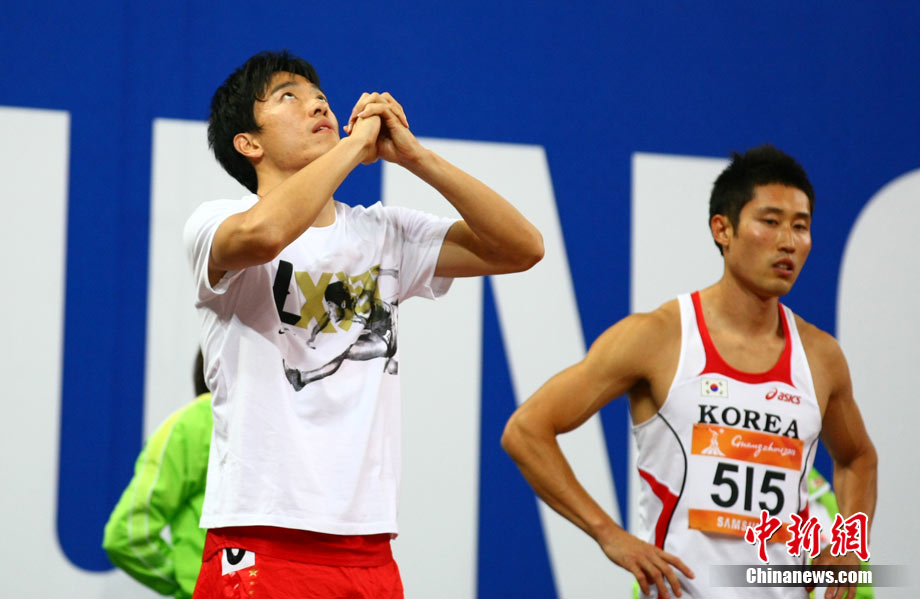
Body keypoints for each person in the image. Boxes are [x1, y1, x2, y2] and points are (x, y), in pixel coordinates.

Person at [184, 50, 543, 598]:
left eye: (320, 96)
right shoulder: (214, 222)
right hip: (263, 537)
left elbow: (523, 248)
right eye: (288, 96)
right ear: (249, 143)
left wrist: (416, 157)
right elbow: (265, 235)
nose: (317, 105)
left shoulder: (384, 233)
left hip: (368, 549)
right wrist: (354, 147)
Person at [502, 146, 876, 599]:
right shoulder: (658, 337)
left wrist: (848, 542)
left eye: (801, 226)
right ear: (723, 229)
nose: (788, 242)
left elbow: (857, 458)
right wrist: (608, 534)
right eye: (770, 221)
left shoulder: (820, 356)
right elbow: (526, 430)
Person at [102, 351, 212, 599]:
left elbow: (127, 536)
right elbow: (126, 536)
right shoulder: (193, 425)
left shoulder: (191, 425)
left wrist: (192, 583)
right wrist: (196, 583)